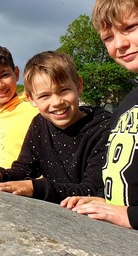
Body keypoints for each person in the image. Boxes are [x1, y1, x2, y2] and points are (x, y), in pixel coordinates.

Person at [0, 51, 112, 204]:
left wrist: (36, 187)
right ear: (31, 98)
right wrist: (0, 174)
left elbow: (93, 190)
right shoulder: (39, 123)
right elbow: (24, 168)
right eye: (44, 96)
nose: (57, 102)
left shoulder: (103, 128)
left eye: (63, 90)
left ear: (78, 85)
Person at [60, 0, 138, 229]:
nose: (120, 44)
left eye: (130, 27)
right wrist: (108, 201)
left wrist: (131, 216)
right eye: (108, 37)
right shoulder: (129, 101)